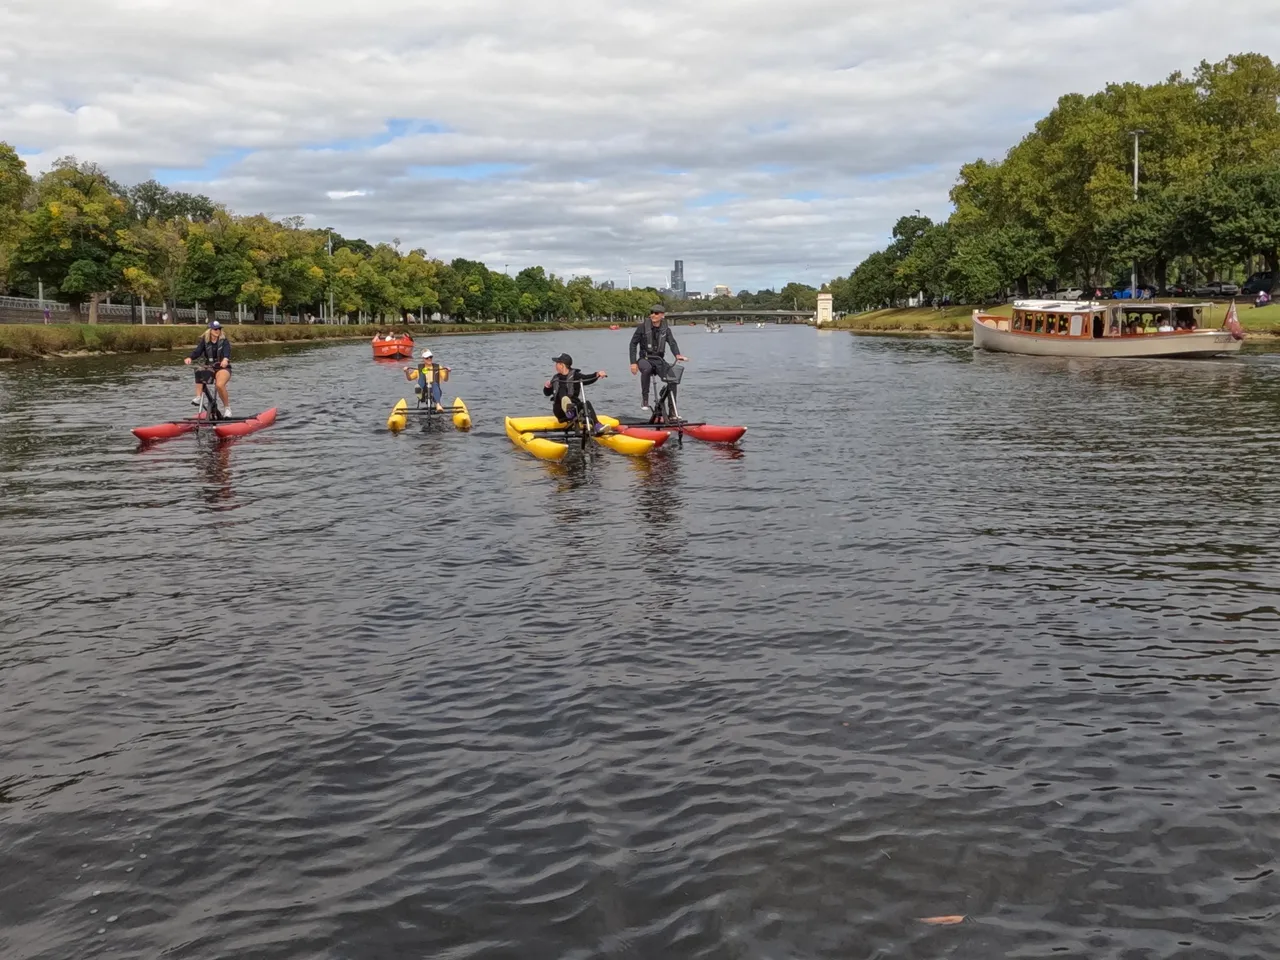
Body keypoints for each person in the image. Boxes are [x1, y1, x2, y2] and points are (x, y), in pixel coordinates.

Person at [629, 305, 687, 411]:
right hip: (645, 359)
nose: (653, 315)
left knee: (673, 380)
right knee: (647, 369)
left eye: (656, 313)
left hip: (659, 360)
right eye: (651, 312)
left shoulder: (666, 329)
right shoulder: (642, 327)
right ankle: (645, 399)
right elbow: (633, 344)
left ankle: (672, 412)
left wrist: (677, 355)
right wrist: (633, 363)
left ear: (662, 315)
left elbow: (672, 343)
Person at [184, 320, 231, 415]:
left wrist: (225, 359)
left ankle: (227, 408)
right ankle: (198, 397)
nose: (218, 331)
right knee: (199, 371)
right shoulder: (204, 341)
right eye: (215, 329)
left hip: (222, 367)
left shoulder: (224, 341)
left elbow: (227, 352)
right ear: (210, 330)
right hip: (210, 366)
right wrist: (190, 357)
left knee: (219, 385)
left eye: (219, 329)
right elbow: (197, 352)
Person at [544, 353, 606, 425]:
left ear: (562, 365)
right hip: (560, 410)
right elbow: (547, 393)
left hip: (574, 408)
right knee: (562, 391)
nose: (555, 365)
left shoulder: (576, 376)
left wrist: (597, 374)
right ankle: (568, 408)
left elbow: (588, 378)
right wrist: (547, 387)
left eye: (557, 363)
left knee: (586, 404)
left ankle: (597, 425)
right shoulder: (556, 378)